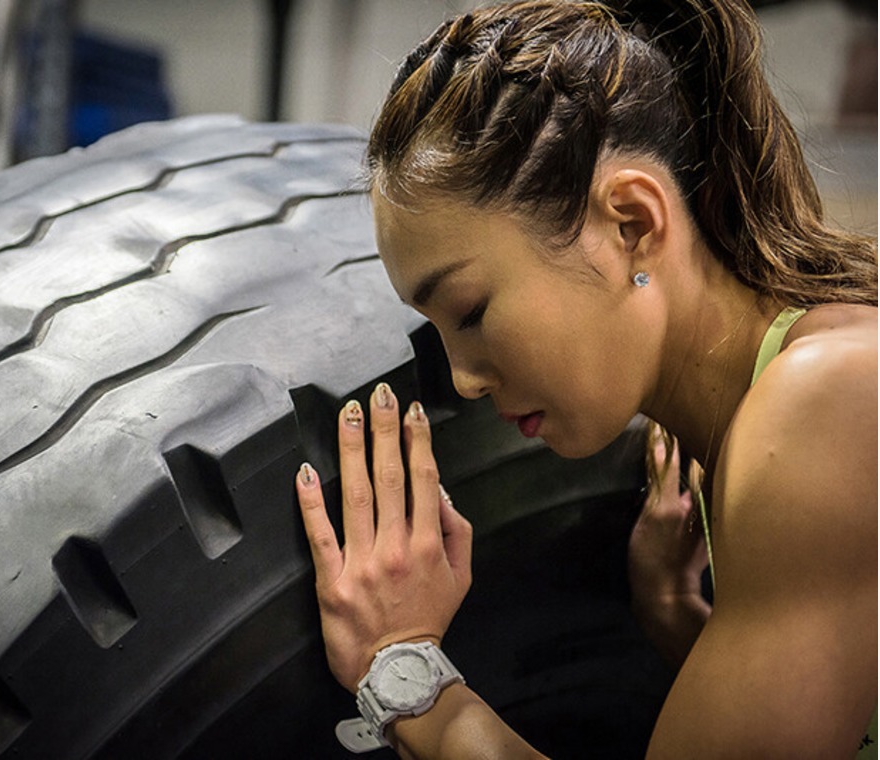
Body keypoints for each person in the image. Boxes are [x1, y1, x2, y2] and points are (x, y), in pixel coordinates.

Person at [293, 1, 878, 757]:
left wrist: (406, 669)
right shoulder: (753, 421)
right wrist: (676, 621)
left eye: (470, 312)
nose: (464, 381)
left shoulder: (827, 400)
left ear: (632, 222)